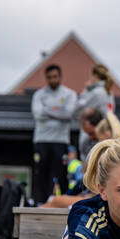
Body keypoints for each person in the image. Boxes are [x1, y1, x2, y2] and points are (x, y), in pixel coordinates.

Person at [31, 64, 77, 204]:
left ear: (60, 77)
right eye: (50, 77)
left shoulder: (69, 94)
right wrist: (59, 111)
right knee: (41, 174)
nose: (53, 79)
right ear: (46, 78)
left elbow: (69, 114)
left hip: (61, 141)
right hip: (42, 140)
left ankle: (62, 203)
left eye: (55, 76)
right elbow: (38, 114)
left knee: (61, 174)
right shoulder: (39, 94)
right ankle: (41, 203)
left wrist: (48, 110)